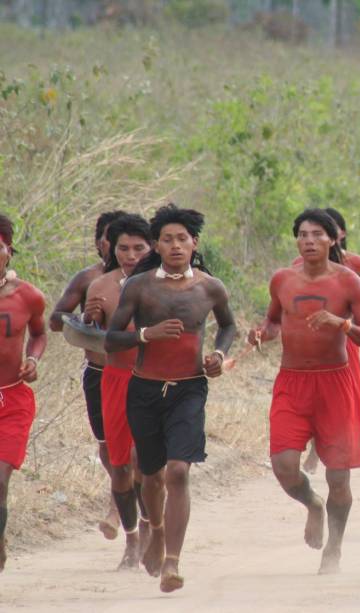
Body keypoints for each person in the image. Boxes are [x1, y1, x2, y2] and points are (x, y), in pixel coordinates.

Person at [104, 203, 236, 592]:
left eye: (182, 239)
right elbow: (111, 339)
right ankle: (156, 531)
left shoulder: (210, 287)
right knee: (149, 473)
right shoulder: (140, 287)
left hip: (189, 389)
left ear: (195, 243)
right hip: (143, 388)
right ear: (156, 247)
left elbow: (228, 326)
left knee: (178, 471)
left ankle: (173, 562)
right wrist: (147, 334)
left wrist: (219, 355)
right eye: (167, 239)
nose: (176, 246)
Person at [248, 209, 360, 574]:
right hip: (292, 381)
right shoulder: (283, 279)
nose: (309, 241)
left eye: (317, 234)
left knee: (339, 476)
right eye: (302, 234)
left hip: (336, 382)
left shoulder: (349, 281)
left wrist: (342, 323)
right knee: (284, 466)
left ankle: (333, 547)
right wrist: (261, 333)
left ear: (333, 239)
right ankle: (313, 504)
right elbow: (272, 320)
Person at [49, 210, 125, 540]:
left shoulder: (142, 279)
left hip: (137, 373)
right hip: (97, 372)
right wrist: (84, 318)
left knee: (134, 448)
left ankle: (118, 509)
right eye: (112, 238)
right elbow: (55, 320)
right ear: (100, 243)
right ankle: (123, 494)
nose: (120, 246)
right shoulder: (87, 279)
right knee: (107, 447)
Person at [83, 214, 153, 569]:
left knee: (146, 463)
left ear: (151, 247)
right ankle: (132, 537)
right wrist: (90, 322)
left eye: (138, 248)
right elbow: (91, 342)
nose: (129, 254)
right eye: (123, 248)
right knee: (121, 466)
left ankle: (148, 531)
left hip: (153, 380)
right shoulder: (101, 286)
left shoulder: (165, 284)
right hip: (114, 379)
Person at [293, 207, 360, 475]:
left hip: (345, 337)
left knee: (344, 396)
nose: (312, 240)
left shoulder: (357, 266)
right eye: (306, 234)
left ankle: (333, 449)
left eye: (322, 232)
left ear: (338, 235)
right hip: (311, 335)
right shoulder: (294, 269)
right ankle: (315, 445)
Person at [0, 214, 47, 573]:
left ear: (8, 252)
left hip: (11, 399)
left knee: (0, 478)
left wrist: (33, 359)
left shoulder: (28, 296)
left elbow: (39, 334)